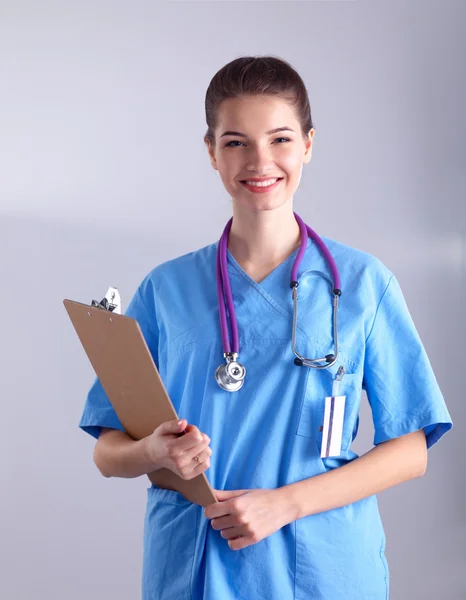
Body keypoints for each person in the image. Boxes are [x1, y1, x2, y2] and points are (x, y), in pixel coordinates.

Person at [79, 55, 453, 599]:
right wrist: (154, 453)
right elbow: (108, 449)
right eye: (235, 142)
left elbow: (413, 448)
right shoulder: (167, 290)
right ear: (211, 151)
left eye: (279, 139)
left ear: (308, 144)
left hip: (321, 565)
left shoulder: (364, 284)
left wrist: (286, 503)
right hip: (196, 562)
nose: (260, 160)